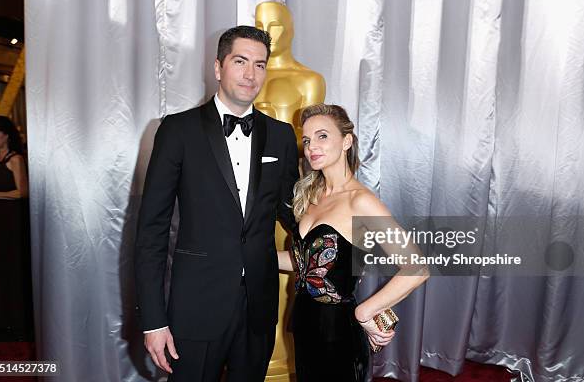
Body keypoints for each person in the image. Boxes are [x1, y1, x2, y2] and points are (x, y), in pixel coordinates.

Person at [134, 26, 299, 382]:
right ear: (218, 67)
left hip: (258, 306)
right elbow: (152, 230)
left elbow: (295, 215)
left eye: (259, 64)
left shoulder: (282, 135)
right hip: (196, 305)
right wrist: (153, 320)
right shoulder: (178, 130)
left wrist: (343, 218)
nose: (250, 74)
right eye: (240, 61)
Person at [277, 104, 430, 382]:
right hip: (304, 327)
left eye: (323, 136)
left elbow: (417, 268)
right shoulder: (313, 195)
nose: (312, 146)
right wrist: (249, 254)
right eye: (308, 139)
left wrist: (365, 311)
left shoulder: (360, 201)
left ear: (346, 141)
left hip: (339, 335)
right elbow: (305, 264)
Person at [0, 115, 32, 340]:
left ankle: (16, 322)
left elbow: (23, 192)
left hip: (12, 223)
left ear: (6, 135)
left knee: (13, 269)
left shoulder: (15, 159)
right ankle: (0, 320)